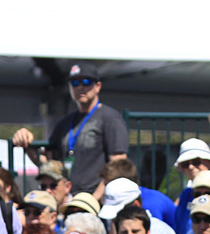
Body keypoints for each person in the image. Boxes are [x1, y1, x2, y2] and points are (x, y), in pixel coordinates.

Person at [11, 63, 128, 195]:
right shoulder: (65, 122)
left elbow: (118, 164)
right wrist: (27, 145)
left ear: (98, 86)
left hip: (94, 199)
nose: (80, 87)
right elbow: (47, 162)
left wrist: (94, 200)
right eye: (75, 83)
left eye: (86, 81)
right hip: (66, 197)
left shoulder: (110, 118)